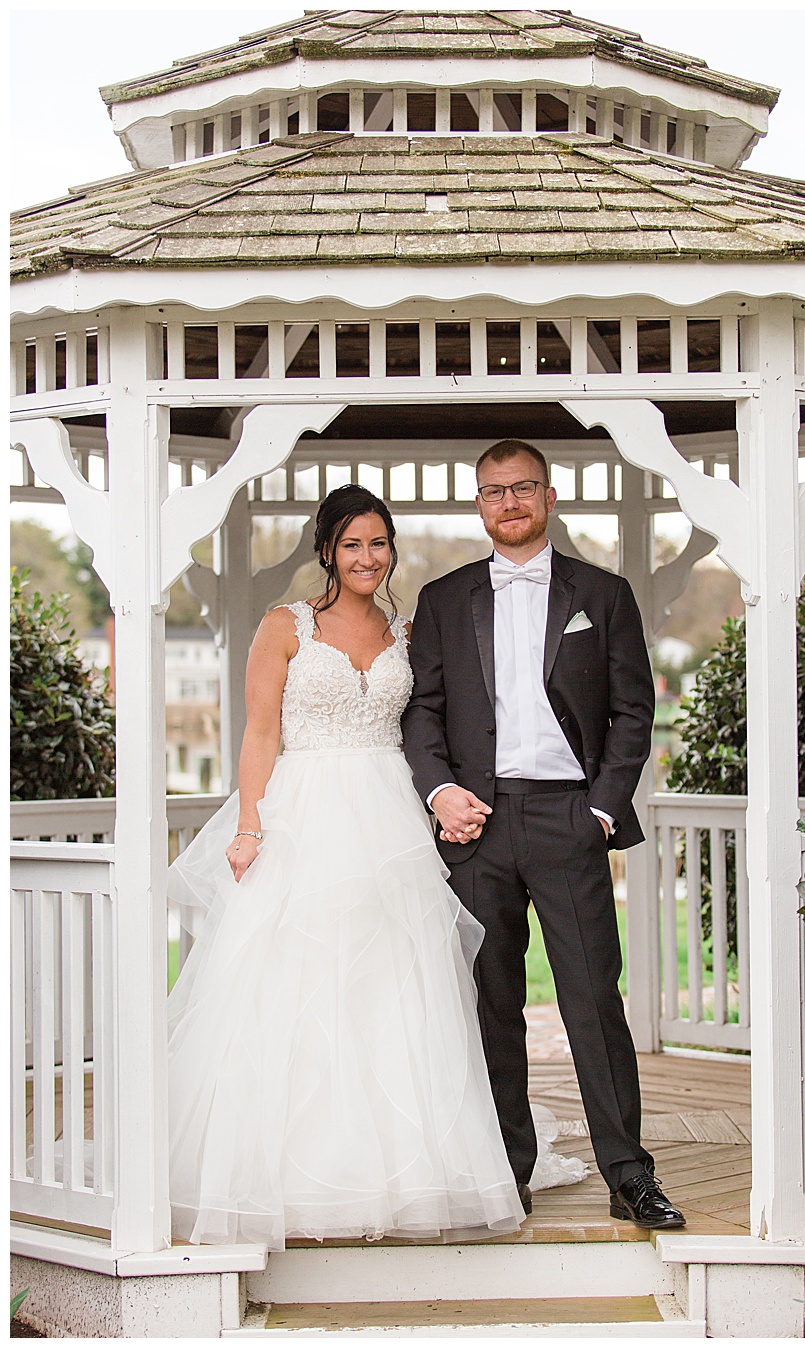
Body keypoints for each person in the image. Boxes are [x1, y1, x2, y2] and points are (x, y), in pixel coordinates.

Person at [167, 485, 524, 1249]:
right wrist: (251, 824)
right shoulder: (286, 625)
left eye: (380, 543)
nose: (368, 558)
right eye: (353, 544)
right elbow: (261, 733)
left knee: (396, 985)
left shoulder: (406, 630)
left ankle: (407, 1169)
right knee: (297, 984)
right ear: (327, 549)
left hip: (391, 817)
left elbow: (431, 723)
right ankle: (294, 1175)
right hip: (305, 814)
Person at [402, 439, 683, 1230]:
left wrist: (599, 808)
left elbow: (634, 710)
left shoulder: (604, 592)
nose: (510, 501)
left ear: (549, 497)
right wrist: (440, 789)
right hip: (476, 826)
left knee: (593, 999)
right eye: (495, 490)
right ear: (479, 504)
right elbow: (422, 711)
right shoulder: (445, 598)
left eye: (524, 487)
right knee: (492, 1001)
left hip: (569, 817)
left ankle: (630, 1176)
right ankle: (506, 1172)